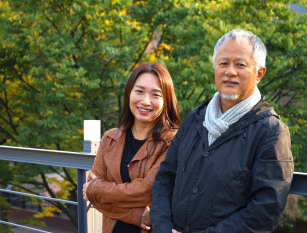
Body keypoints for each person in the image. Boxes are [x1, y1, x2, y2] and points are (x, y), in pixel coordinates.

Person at [150, 29, 294, 233]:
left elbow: (265, 209)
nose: (230, 72)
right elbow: (165, 177)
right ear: (215, 67)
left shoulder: (271, 131)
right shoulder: (195, 119)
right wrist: (163, 227)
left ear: (259, 73)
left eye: (240, 64)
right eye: (223, 63)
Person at [82, 62, 181, 233]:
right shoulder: (110, 139)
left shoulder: (172, 141)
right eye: (139, 91)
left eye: (155, 94)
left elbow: (148, 191)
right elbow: (92, 197)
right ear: (129, 93)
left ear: (166, 100)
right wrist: (136, 215)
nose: (146, 101)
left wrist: (97, 189)